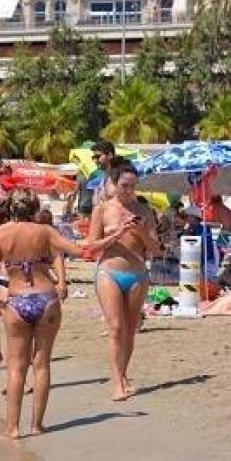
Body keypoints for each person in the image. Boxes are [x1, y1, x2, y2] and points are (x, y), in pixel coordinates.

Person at [0, 189, 131, 438]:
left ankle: (12, 428)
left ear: (10, 209)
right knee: (41, 365)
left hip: (17, 301)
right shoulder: (45, 232)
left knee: (16, 368)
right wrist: (117, 234)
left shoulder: (2, 233)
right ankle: (37, 425)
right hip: (47, 300)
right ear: (34, 209)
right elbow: (81, 251)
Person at [88, 165, 160, 401]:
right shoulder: (102, 210)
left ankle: (123, 373)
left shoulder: (144, 211)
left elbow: (155, 249)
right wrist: (117, 234)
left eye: (132, 186)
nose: (129, 191)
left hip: (137, 274)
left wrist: (140, 232)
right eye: (124, 186)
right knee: (116, 328)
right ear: (114, 184)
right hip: (109, 272)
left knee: (130, 329)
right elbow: (92, 246)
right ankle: (117, 382)